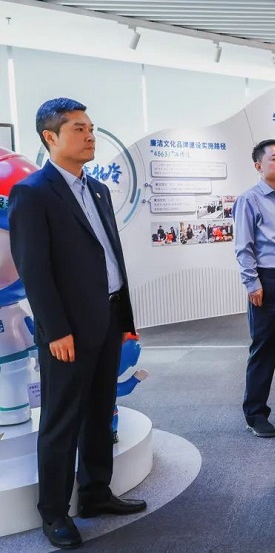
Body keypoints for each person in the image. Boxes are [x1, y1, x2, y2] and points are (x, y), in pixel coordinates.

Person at [8, 98, 146, 549]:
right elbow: (34, 270)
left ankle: (95, 493)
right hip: (67, 329)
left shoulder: (98, 189)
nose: (90, 136)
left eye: (91, 128)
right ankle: (53, 512)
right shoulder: (33, 193)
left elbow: (109, 257)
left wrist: (123, 319)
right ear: (50, 137)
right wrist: (56, 330)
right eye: (78, 129)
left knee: (100, 411)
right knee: (61, 420)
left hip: (108, 316)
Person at [232, 139, 275, 438]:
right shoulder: (249, 200)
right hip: (267, 279)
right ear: (258, 166)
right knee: (264, 348)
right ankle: (255, 414)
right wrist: (252, 282)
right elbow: (243, 247)